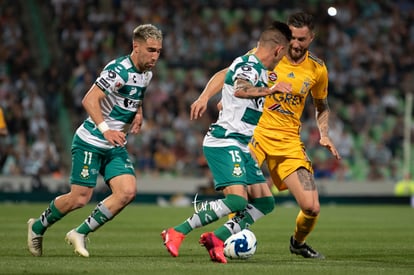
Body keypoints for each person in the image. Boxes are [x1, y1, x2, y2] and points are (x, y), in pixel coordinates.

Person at [190, 12, 341, 259]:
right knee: (239, 195)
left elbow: (322, 106)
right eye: (292, 37)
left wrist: (324, 133)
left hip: (289, 141)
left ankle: (298, 243)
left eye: (302, 39)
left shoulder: (317, 68)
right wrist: (205, 96)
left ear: (312, 38)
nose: (295, 44)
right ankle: (224, 242)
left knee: (312, 207)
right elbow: (227, 73)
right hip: (254, 134)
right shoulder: (271, 53)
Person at [27, 24, 163, 257]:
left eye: (158, 51)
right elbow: (89, 100)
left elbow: (136, 95)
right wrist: (106, 130)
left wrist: (138, 113)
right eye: (150, 50)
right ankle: (37, 226)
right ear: (136, 46)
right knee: (79, 198)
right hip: (91, 140)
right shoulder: (118, 69)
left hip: (114, 146)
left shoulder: (146, 73)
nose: (155, 56)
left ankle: (79, 233)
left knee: (127, 192)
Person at [161, 21, 292, 264]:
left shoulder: (258, 70)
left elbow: (229, 81)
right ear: (278, 50)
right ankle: (177, 231)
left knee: (264, 202)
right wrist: (271, 90)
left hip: (242, 145)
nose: (282, 60)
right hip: (224, 141)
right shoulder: (249, 66)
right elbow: (241, 88)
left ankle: (217, 238)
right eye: (284, 54)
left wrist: (224, 98)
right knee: (237, 200)